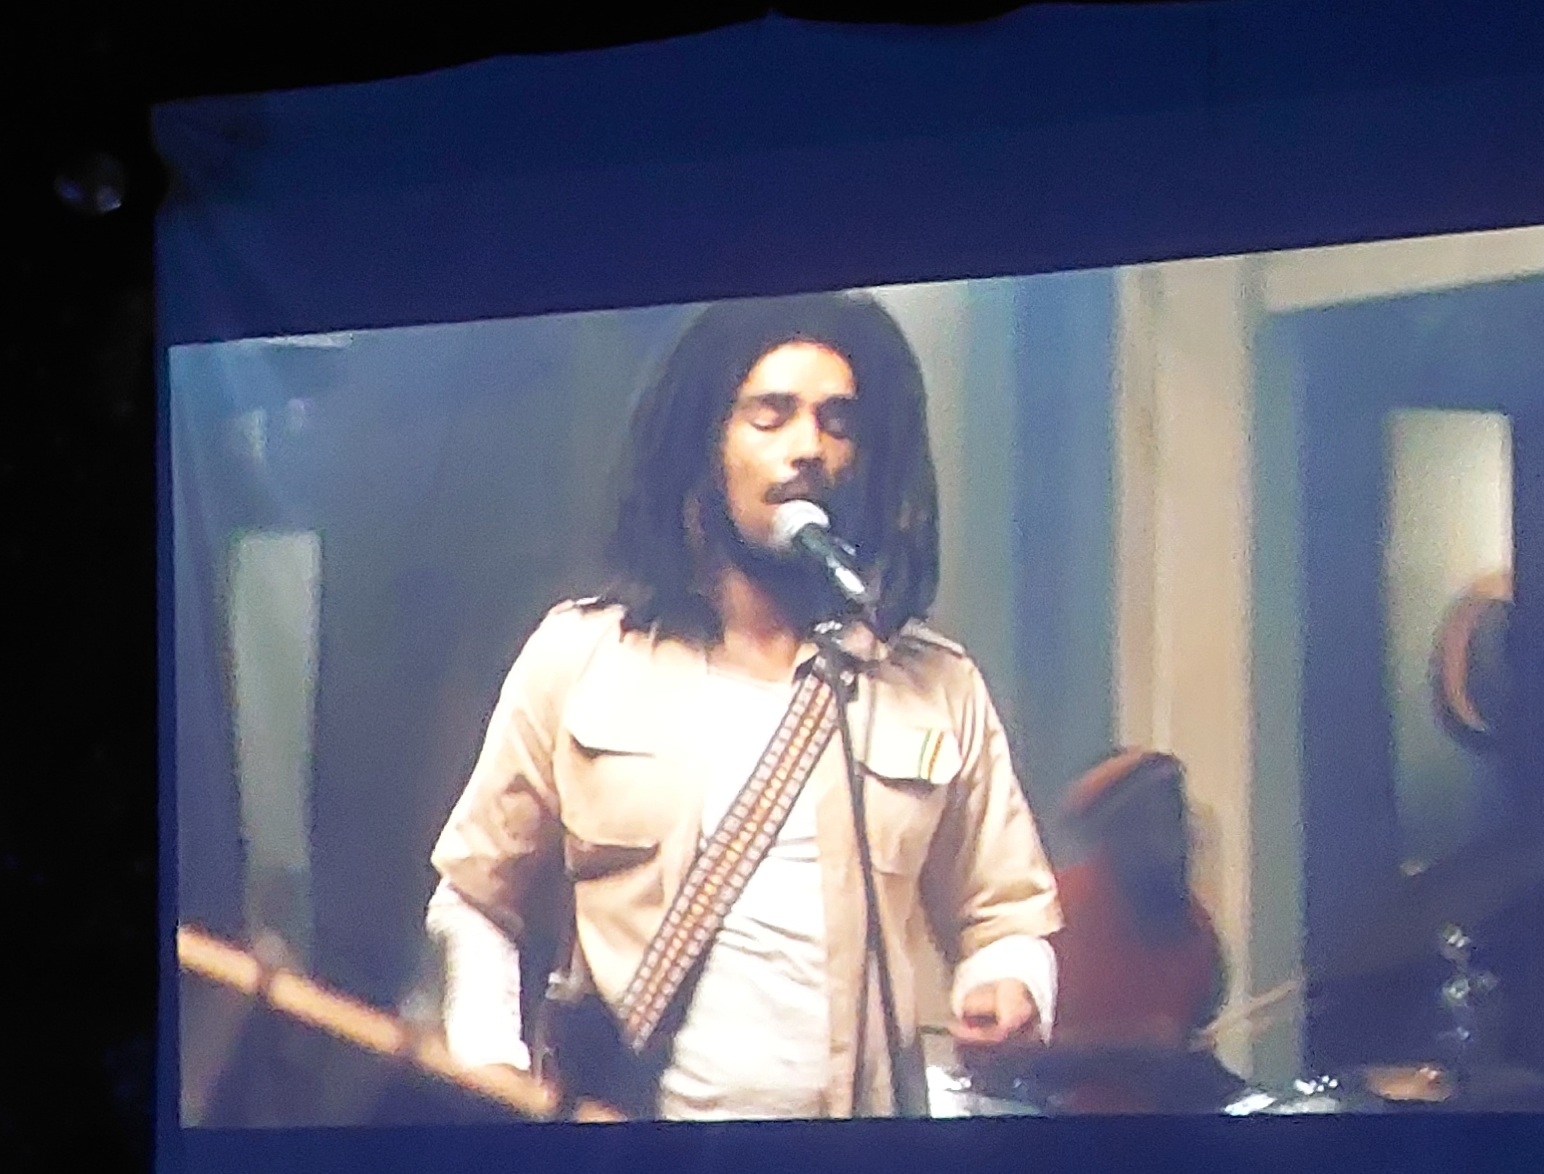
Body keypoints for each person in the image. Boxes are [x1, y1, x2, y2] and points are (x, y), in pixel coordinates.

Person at [423, 294, 1058, 1118]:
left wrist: (1010, 982)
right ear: (707, 445)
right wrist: (493, 1069)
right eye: (771, 415)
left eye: (837, 422)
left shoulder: (936, 684)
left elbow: (1005, 916)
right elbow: (477, 897)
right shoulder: (579, 657)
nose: (809, 447)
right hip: (632, 1158)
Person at [1033, 748, 1230, 1114]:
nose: (1164, 837)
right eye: (1144, 821)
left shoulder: (1191, 921)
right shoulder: (1050, 910)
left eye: (1172, 818)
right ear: (1112, 831)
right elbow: (1009, 1059)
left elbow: (1201, 1015)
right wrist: (1124, 1048)